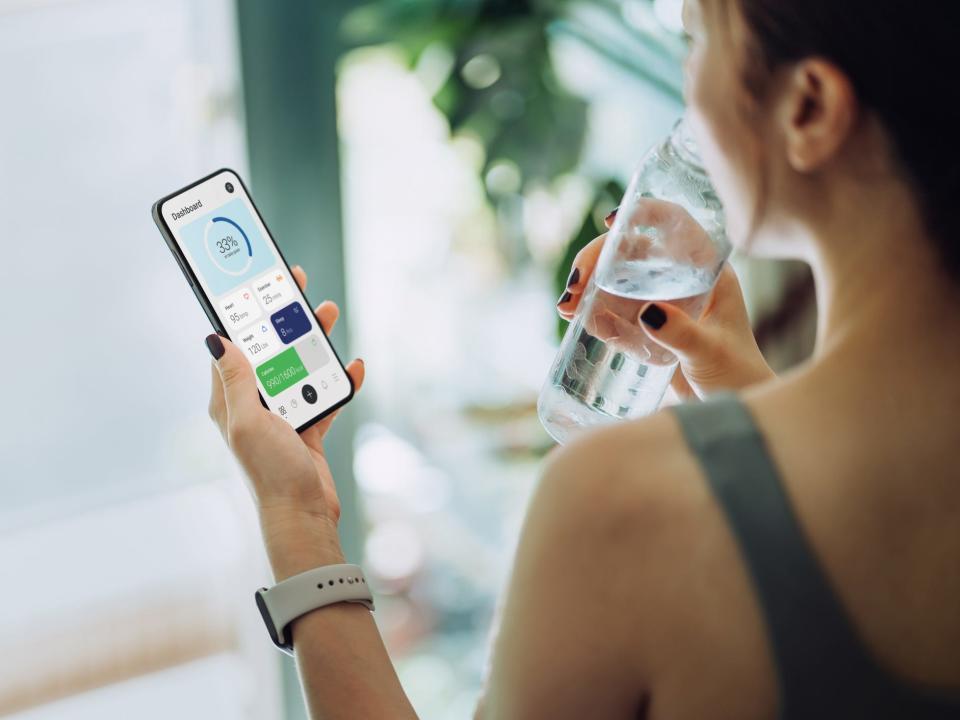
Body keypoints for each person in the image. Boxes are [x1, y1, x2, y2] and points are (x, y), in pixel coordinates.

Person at [202, 0, 960, 717]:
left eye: (696, 38)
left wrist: (296, 516)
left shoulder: (621, 503)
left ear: (809, 108)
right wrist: (746, 400)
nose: (685, 86)